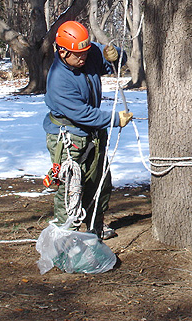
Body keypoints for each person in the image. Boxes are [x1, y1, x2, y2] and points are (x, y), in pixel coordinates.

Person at [43, 20, 133, 240]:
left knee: (100, 181)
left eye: (85, 51)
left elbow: (115, 62)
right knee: (71, 187)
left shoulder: (88, 52)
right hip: (69, 137)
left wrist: (115, 55)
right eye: (78, 54)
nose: (84, 57)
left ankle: (95, 225)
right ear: (63, 52)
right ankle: (65, 235)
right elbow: (84, 114)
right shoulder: (58, 80)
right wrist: (115, 119)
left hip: (93, 133)